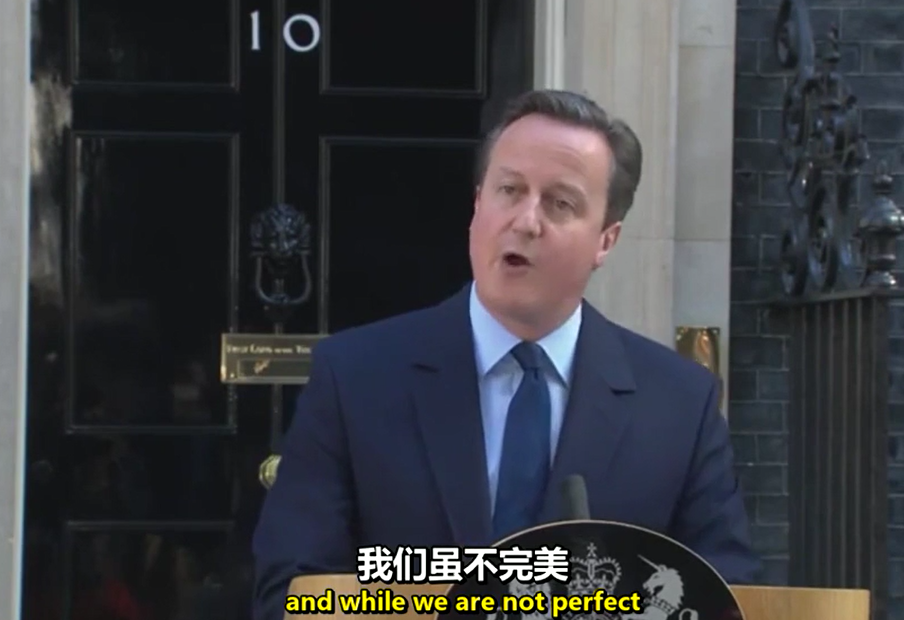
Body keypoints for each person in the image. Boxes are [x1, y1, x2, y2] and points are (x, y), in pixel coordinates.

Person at [252, 89, 760, 619]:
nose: (526, 220)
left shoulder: (680, 404)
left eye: (560, 203)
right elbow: (290, 592)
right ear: (477, 205)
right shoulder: (354, 377)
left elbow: (725, 597)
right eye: (509, 190)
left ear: (606, 240)